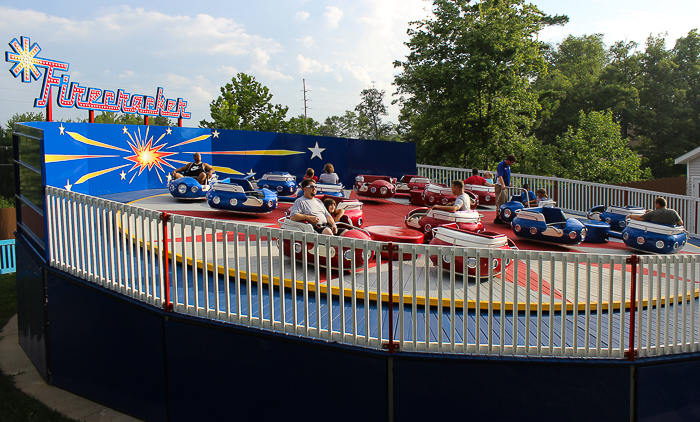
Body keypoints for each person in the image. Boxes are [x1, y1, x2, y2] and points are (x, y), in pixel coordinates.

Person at [494, 154, 516, 223]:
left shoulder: (508, 166)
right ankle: (498, 217)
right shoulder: (501, 165)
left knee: (505, 201)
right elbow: (500, 176)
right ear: (509, 160)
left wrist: (509, 182)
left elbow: (508, 175)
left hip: (505, 185)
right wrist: (503, 184)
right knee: (500, 201)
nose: (511, 164)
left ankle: (503, 216)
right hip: (500, 185)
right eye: (511, 162)